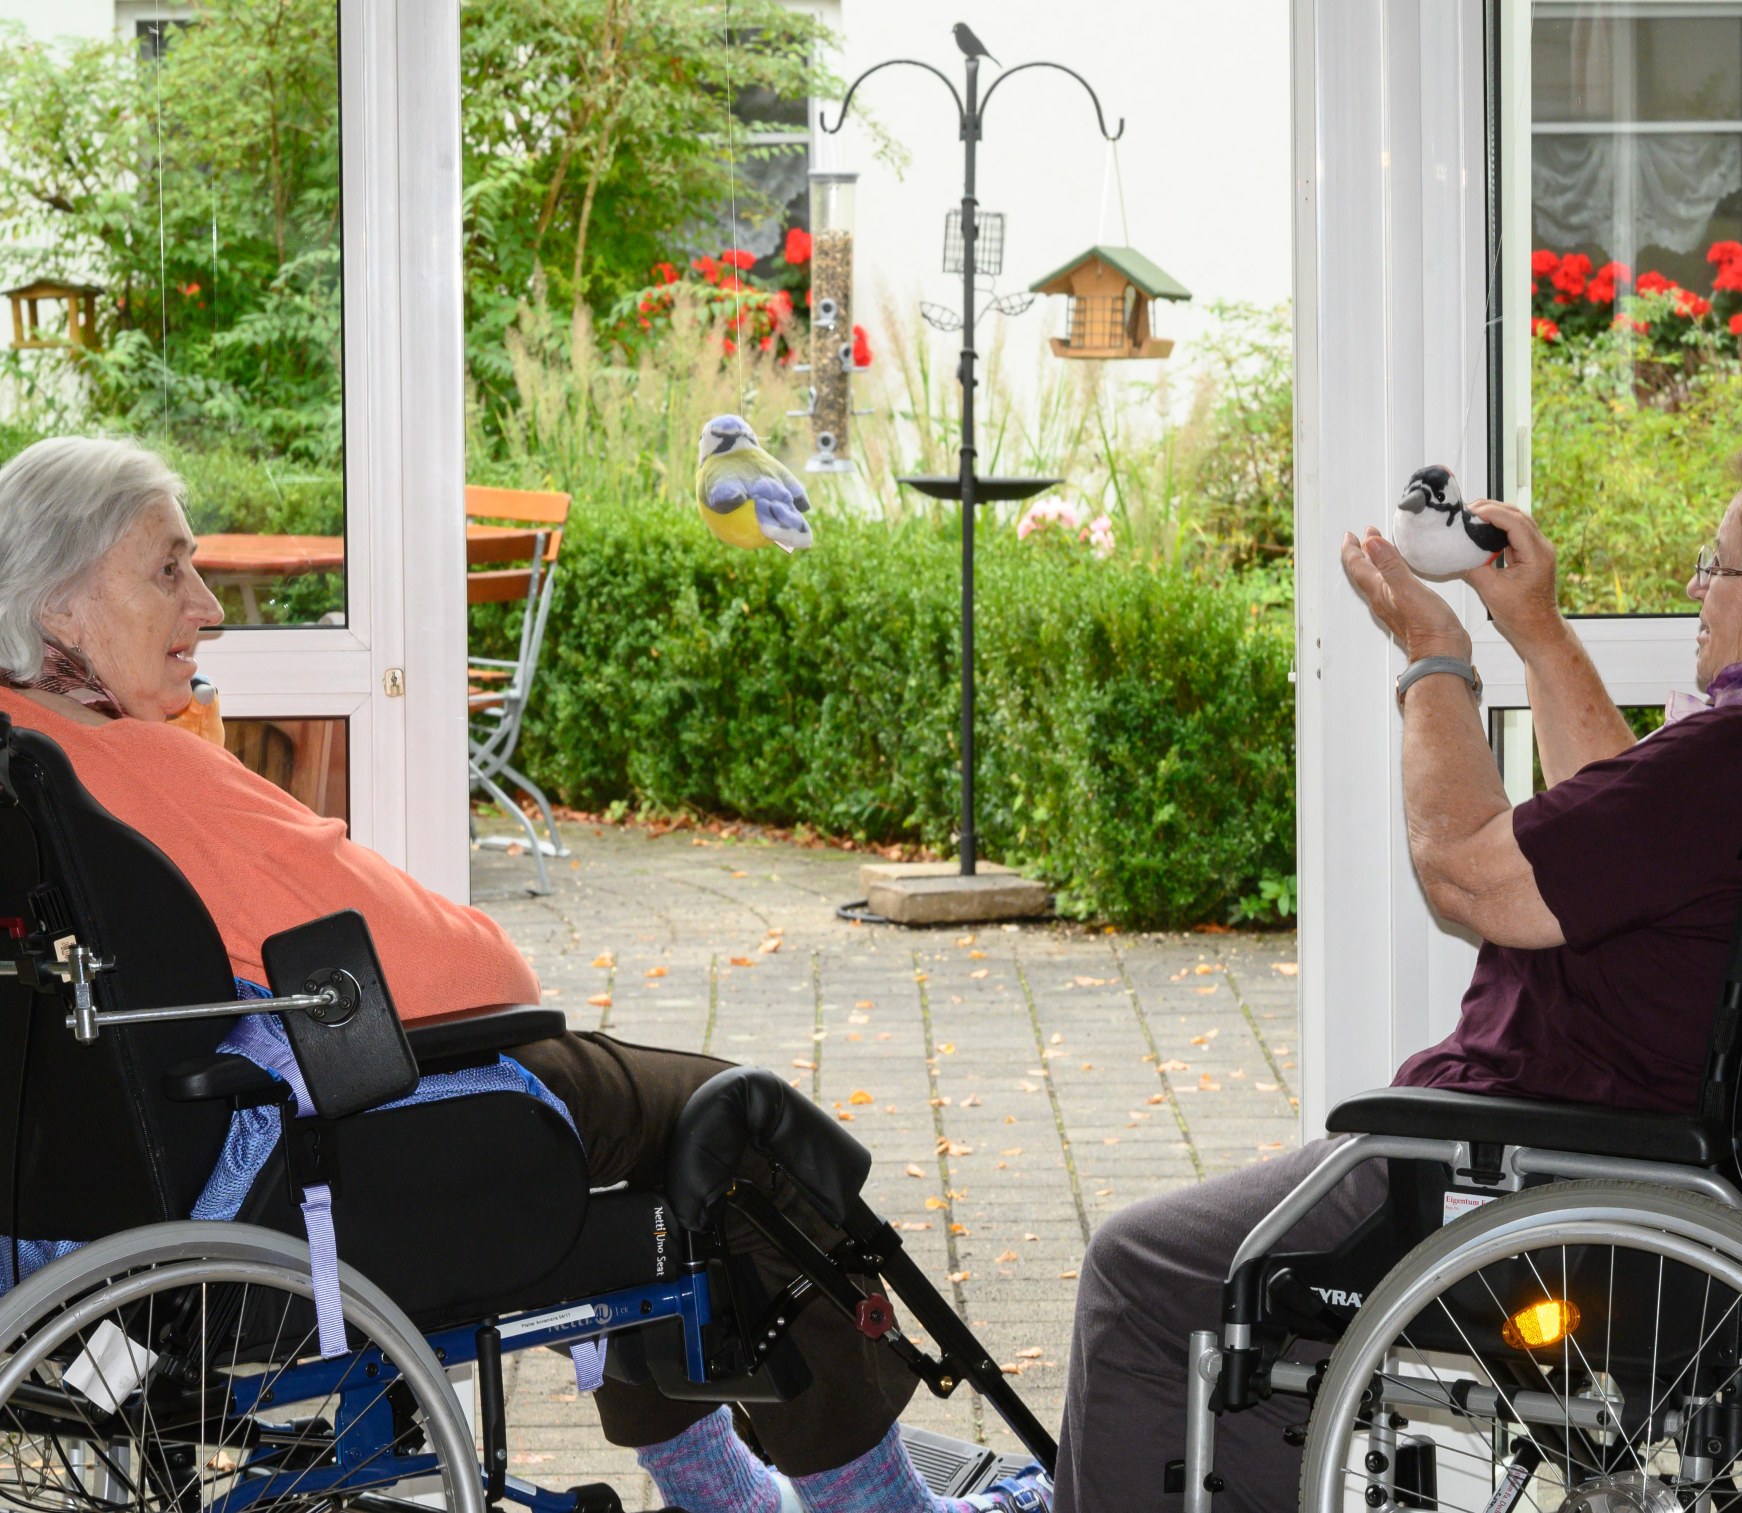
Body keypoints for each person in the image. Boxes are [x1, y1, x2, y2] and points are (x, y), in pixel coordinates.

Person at [0, 435, 1049, 1513]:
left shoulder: (23, 760)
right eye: (168, 568)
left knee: (665, 1181)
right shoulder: (139, 769)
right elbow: (463, 971)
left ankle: (727, 1489)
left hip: (101, 1205)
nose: (208, 605)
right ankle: (872, 1504)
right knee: (733, 1123)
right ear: (61, 609)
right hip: (302, 1159)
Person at [1052, 411, 1742, 1512]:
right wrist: (1539, 632)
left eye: (1720, 569)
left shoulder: (1736, 760)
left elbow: (1468, 875)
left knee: (1138, 1271)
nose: (1700, 591)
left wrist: (1435, 664)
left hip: (1538, 1174)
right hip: (1719, 1200)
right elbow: (1624, 838)